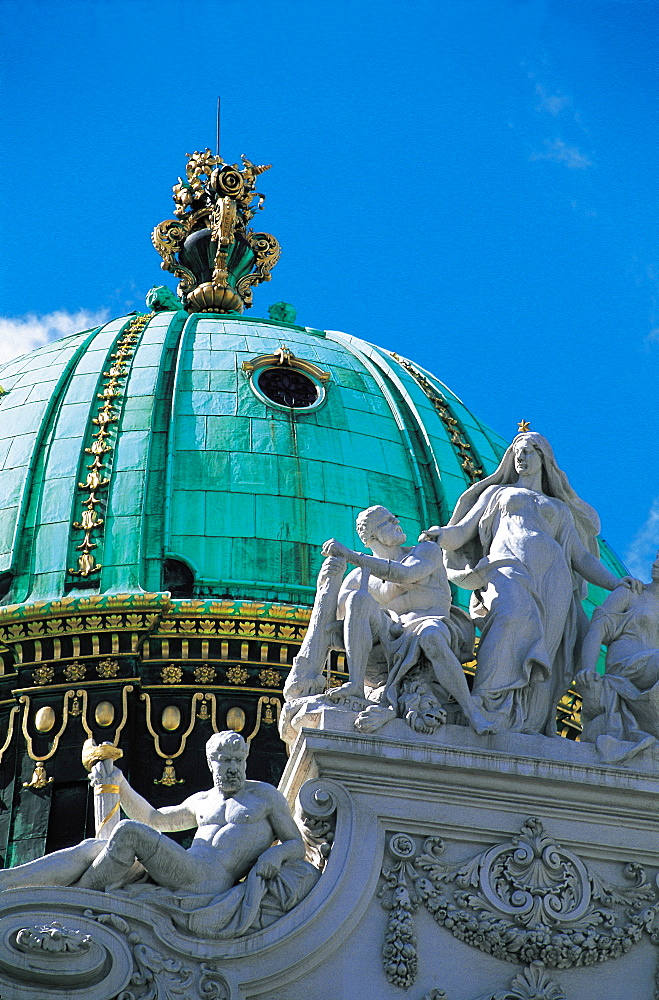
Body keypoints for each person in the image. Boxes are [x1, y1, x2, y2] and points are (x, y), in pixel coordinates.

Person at [422, 432, 641, 735]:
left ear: (544, 458)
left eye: (528, 452)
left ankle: (530, 722)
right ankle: (486, 703)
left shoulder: (560, 508)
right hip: (505, 568)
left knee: (546, 652)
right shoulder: (497, 494)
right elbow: (462, 531)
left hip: (554, 581)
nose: (521, 458)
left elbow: (581, 557)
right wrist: (440, 536)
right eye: (517, 453)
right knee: (510, 619)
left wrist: (616, 581)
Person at [0, 732, 305, 897]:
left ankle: (75, 900)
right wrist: (119, 783)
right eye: (224, 761)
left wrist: (274, 857)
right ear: (211, 764)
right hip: (184, 868)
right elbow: (156, 819)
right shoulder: (203, 800)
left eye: (238, 760)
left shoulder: (264, 796)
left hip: (210, 879)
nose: (232, 768)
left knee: (128, 833)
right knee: (92, 847)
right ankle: (10, 881)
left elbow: (296, 843)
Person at [320, 504, 493, 734]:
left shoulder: (425, 551)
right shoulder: (357, 577)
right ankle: (355, 684)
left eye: (395, 517)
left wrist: (351, 556)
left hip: (431, 621)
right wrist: (328, 582)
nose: (397, 523)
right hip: (392, 634)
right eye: (389, 522)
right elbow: (338, 626)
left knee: (430, 636)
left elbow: (405, 574)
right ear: (372, 535)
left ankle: (471, 710)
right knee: (357, 600)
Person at [576, 551, 659, 761]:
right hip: (625, 667)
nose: (656, 564)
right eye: (657, 556)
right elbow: (598, 628)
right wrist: (588, 670)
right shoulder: (632, 592)